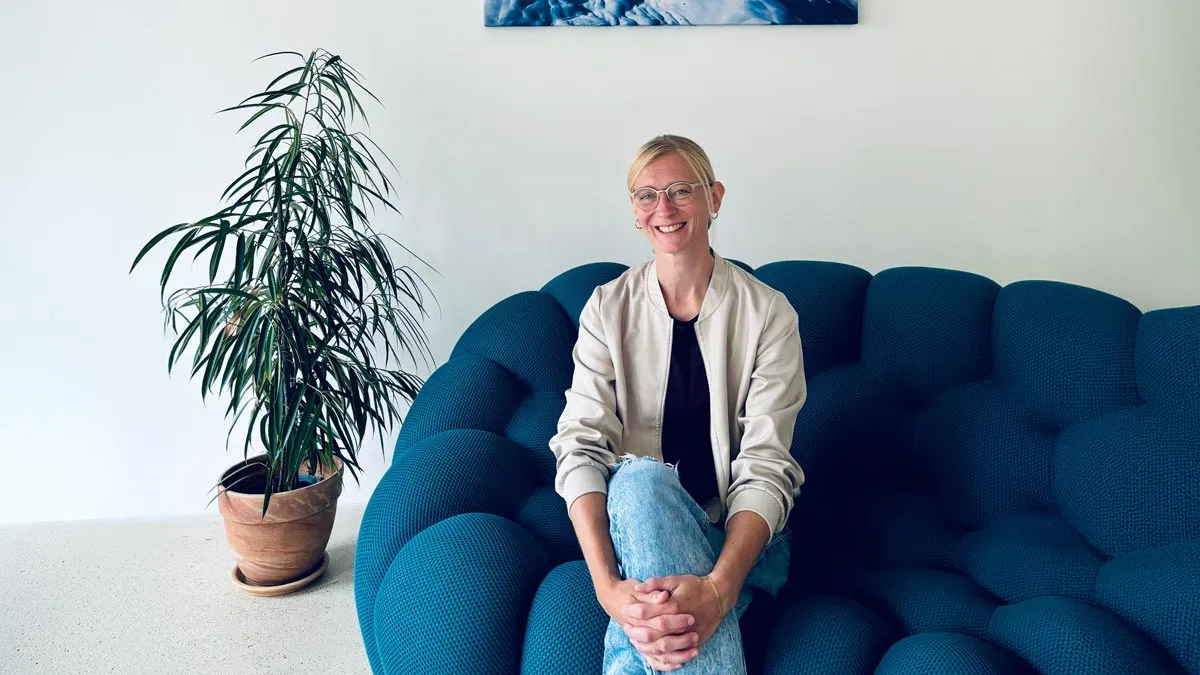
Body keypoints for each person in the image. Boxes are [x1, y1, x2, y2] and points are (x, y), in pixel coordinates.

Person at [549, 134, 808, 674]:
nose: (663, 208)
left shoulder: (769, 315)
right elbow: (580, 448)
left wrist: (718, 590)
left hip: (734, 541)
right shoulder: (607, 309)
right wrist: (607, 589)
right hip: (637, 522)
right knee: (640, 482)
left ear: (714, 197)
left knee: (650, 623)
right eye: (647, 195)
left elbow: (766, 468)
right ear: (635, 211)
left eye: (681, 190)